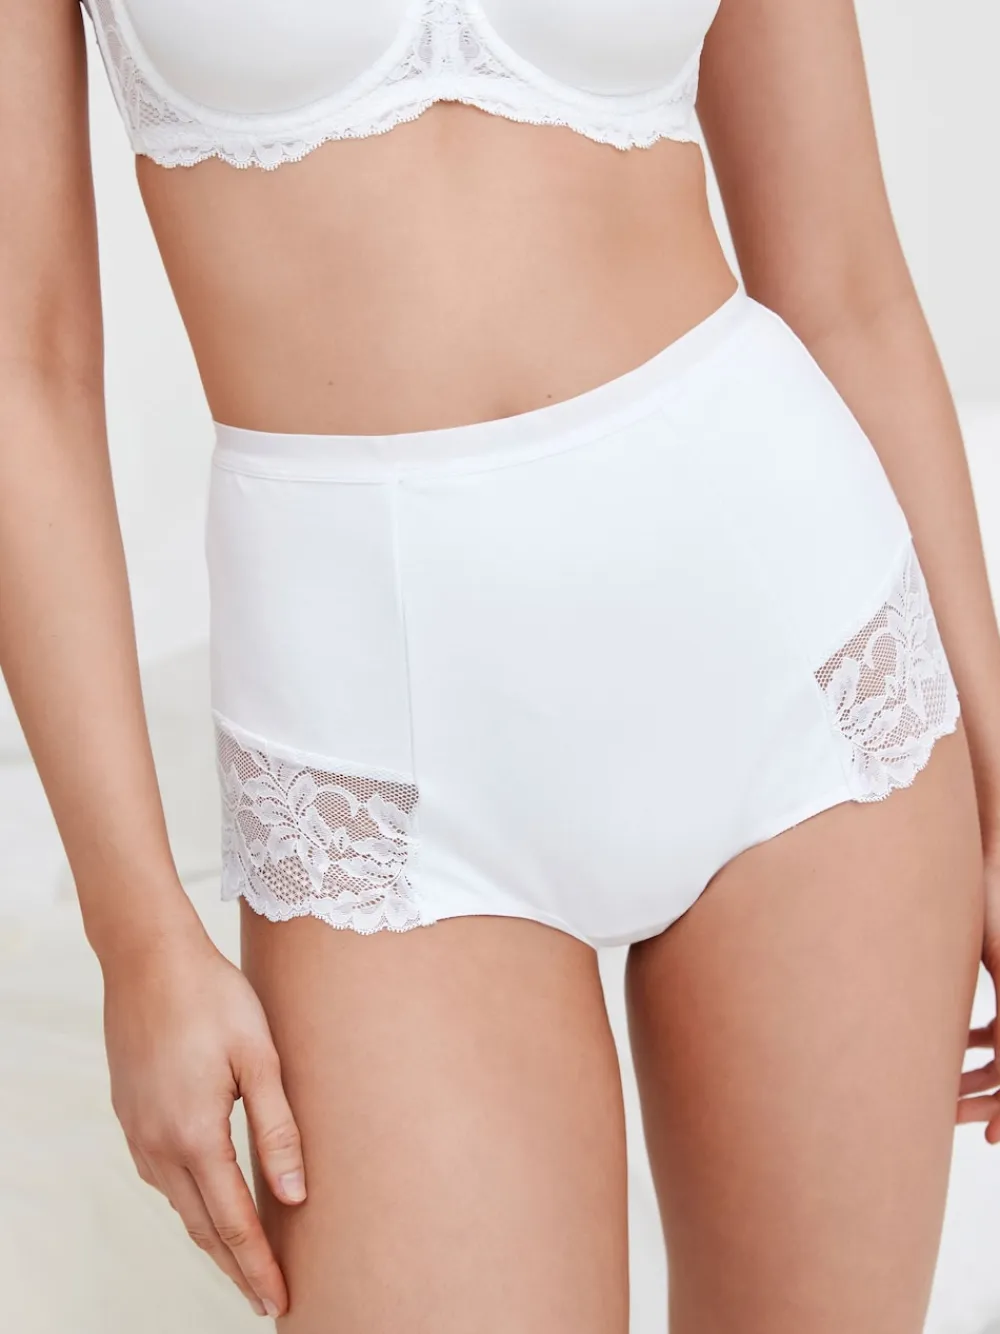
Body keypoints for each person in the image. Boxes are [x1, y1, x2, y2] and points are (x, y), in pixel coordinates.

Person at [3, 0, 998, 1329]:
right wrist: (137, 936)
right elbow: (24, 368)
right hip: (374, 754)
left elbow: (847, 287)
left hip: (804, 665)